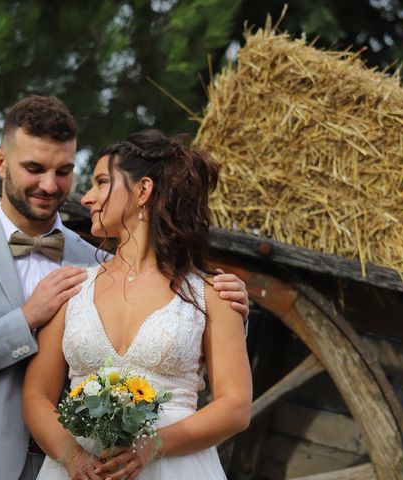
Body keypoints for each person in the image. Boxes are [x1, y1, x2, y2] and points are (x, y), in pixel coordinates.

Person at [0, 96, 250, 480]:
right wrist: (24, 320)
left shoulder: (93, 261)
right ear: (0, 161)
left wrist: (236, 308)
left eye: (65, 171)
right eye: (34, 168)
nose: (51, 185)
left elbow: (187, 330)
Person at [23, 129, 252, 480]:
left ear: (143, 190)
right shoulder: (72, 288)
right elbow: (37, 395)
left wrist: (154, 445)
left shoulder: (212, 294)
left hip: (176, 468)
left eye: (101, 182)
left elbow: (235, 407)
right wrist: (71, 457)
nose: (87, 197)